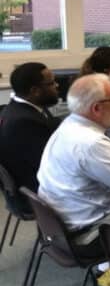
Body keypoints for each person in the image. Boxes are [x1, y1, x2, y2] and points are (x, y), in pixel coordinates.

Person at [0, 63, 61, 201]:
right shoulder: (24, 122)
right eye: (51, 83)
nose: (57, 85)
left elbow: (52, 124)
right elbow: (51, 164)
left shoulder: (23, 108)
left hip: (33, 182)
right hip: (35, 193)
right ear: (35, 90)